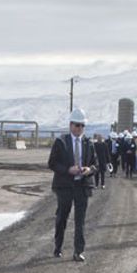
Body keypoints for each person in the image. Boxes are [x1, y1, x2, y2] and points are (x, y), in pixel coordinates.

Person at [47, 108, 97, 260]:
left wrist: (89, 169)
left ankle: (78, 251)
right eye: (77, 125)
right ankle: (58, 247)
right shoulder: (61, 142)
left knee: (80, 219)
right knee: (62, 216)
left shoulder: (89, 143)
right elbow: (52, 163)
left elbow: (96, 164)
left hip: (82, 186)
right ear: (70, 125)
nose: (79, 128)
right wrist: (68, 170)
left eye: (82, 125)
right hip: (65, 186)